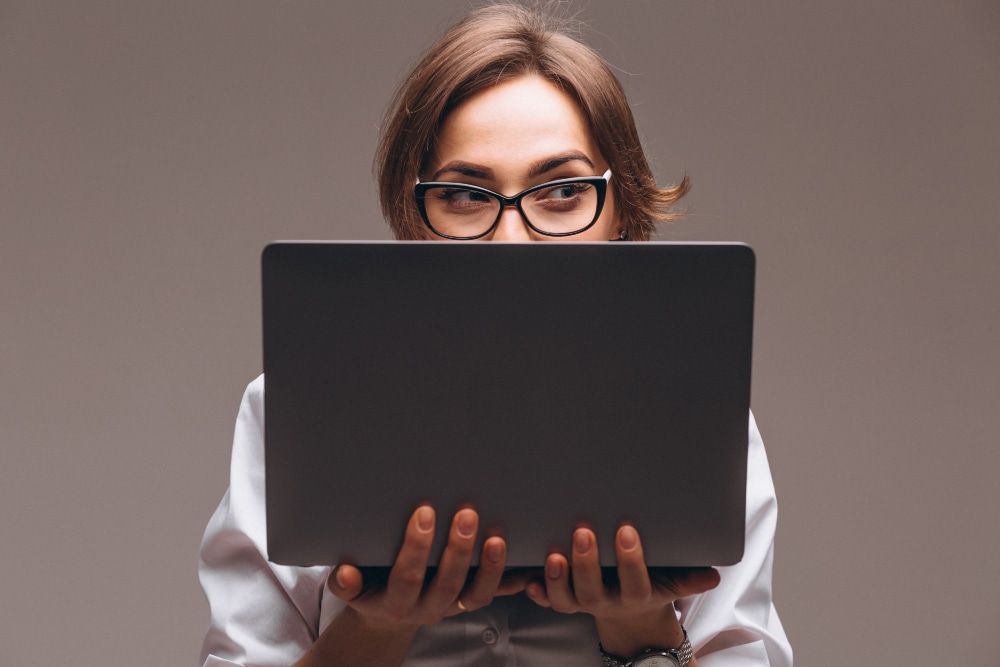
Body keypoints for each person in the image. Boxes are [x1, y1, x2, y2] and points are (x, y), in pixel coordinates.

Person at [198, 4, 793, 667]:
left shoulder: (702, 422)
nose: (512, 238)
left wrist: (643, 627)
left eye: (562, 191)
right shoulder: (292, 414)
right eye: (465, 196)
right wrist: (377, 628)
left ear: (621, 211)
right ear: (414, 219)